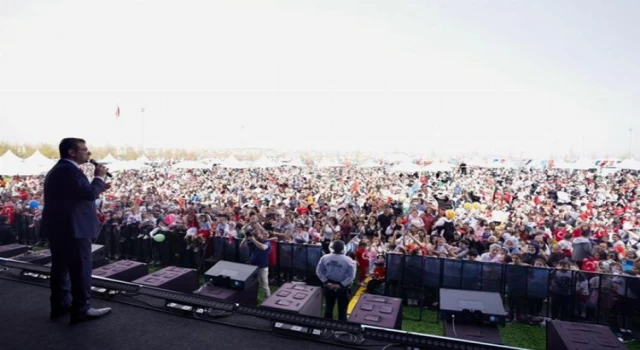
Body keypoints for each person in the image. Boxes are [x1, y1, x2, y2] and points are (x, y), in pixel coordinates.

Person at [40, 138, 112, 324]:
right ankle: (81, 309)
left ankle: (60, 304)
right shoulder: (69, 171)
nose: (88, 153)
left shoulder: (60, 170)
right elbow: (87, 194)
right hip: (73, 228)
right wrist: (99, 177)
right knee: (80, 269)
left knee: (61, 268)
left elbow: (78, 195)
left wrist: (97, 187)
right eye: (84, 149)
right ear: (72, 152)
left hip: (61, 227)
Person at [316, 240, 356, 321]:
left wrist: (326, 282)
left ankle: (326, 327)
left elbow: (319, 272)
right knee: (342, 309)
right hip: (342, 287)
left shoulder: (325, 257)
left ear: (332, 248)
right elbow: (351, 276)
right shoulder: (349, 260)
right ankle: (341, 328)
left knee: (328, 307)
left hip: (328, 285)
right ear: (343, 249)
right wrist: (340, 285)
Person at [240, 225, 271, 298]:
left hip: (262, 266)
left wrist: (254, 240)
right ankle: (252, 297)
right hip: (253, 265)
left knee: (264, 284)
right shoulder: (252, 241)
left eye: (257, 234)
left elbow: (263, 247)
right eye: (254, 234)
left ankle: (268, 299)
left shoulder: (266, 241)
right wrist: (245, 238)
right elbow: (241, 246)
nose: (256, 235)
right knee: (253, 282)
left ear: (261, 234)